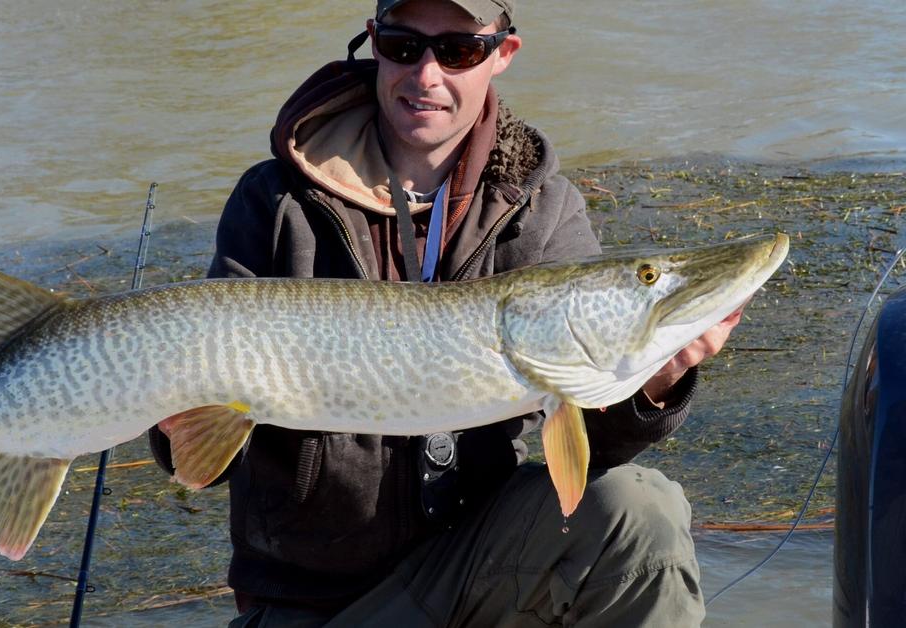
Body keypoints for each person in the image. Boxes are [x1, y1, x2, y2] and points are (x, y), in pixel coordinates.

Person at [150, 1, 738, 625]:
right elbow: (198, 459)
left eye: (458, 51)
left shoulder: (540, 209)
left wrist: (657, 378)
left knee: (639, 514)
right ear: (374, 43)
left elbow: (595, 434)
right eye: (405, 46)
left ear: (502, 54)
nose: (426, 74)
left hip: (475, 571)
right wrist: (174, 414)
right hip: (310, 604)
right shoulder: (276, 203)